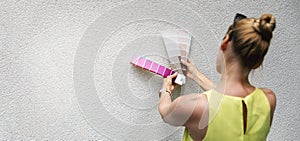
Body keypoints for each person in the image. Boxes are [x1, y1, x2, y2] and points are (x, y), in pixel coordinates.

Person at [158, 13, 276, 141]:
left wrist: (166, 90)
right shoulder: (268, 99)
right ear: (258, 62)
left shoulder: (194, 106)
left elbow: (165, 112)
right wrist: (197, 76)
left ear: (225, 42)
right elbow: (229, 102)